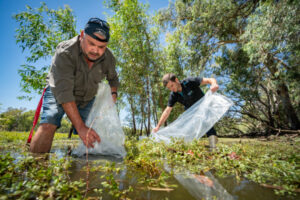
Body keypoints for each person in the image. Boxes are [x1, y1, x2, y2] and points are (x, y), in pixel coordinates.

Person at [30, 18, 119, 153]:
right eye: (91, 43)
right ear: (82, 35)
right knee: (50, 121)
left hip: (88, 97)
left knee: (94, 132)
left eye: (101, 47)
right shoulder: (65, 51)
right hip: (59, 91)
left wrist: (113, 95)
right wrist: (81, 127)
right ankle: (37, 166)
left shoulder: (109, 57)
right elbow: (65, 93)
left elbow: (113, 79)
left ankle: (81, 170)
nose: (96, 50)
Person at [153, 73, 219, 148]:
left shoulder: (189, 81)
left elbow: (209, 80)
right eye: (169, 88)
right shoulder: (173, 95)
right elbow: (167, 111)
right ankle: (190, 145)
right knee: (188, 126)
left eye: (172, 85)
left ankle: (213, 142)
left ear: (176, 80)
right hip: (190, 111)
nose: (172, 89)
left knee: (205, 121)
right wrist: (158, 126)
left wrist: (214, 84)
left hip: (203, 105)